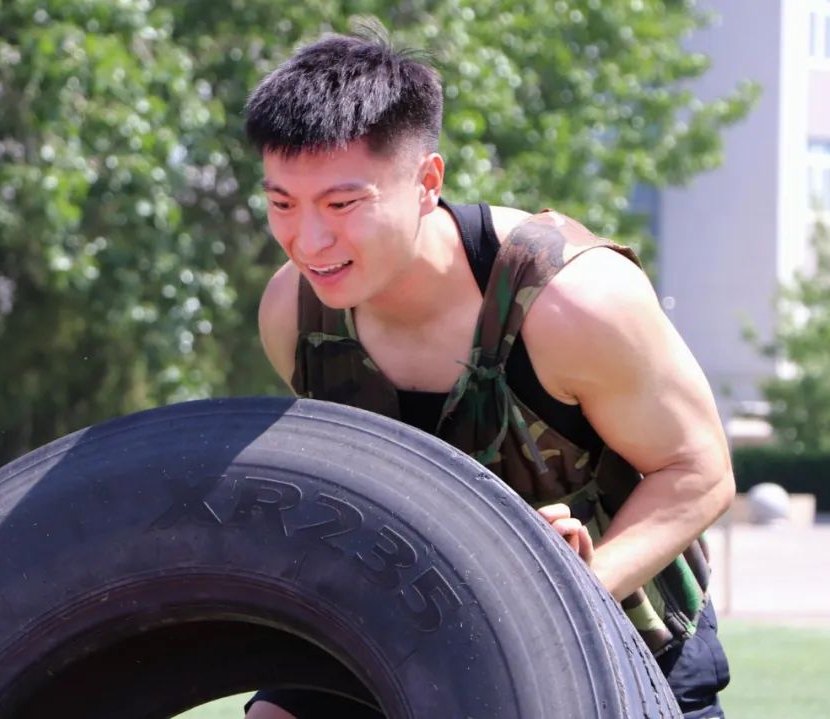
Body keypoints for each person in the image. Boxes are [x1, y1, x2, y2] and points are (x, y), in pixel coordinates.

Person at [240, 26, 735, 719]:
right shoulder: (293, 313)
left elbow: (700, 470)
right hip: (411, 630)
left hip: (623, 639)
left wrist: (568, 584)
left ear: (427, 182)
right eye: (282, 204)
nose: (309, 241)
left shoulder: (572, 301)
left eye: (342, 204)